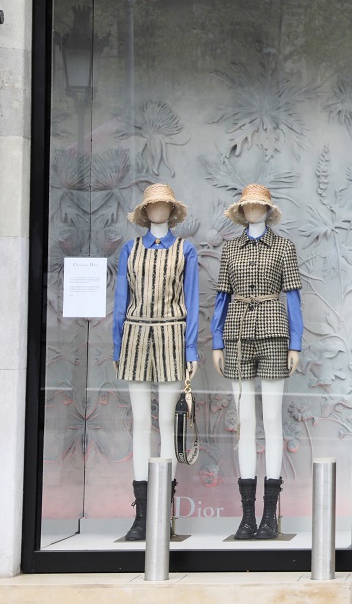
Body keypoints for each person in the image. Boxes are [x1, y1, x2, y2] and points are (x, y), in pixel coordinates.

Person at [210, 183, 302, 540]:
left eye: (258, 206)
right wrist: (217, 340)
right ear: (242, 211)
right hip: (236, 333)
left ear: (267, 210)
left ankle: (270, 515)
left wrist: (296, 342)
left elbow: (293, 296)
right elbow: (222, 297)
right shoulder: (230, 249)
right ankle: (247, 516)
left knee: (272, 421)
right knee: (245, 422)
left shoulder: (284, 247)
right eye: (247, 206)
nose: (252, 211)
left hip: (275, 331)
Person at [112, 183, 199, 542]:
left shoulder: (185, 250)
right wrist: (117, 346)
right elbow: (121, 298)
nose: (158, 211)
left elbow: (191, 301)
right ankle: (142, 514)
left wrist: (190, 349)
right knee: (139, 424)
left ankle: (164, 510)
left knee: (166, 423)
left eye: (164, 205)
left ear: (171, 210)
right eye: (153, 206)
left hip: (171, 335)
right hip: (134, 335)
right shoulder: (129, 250)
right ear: (145, 212)